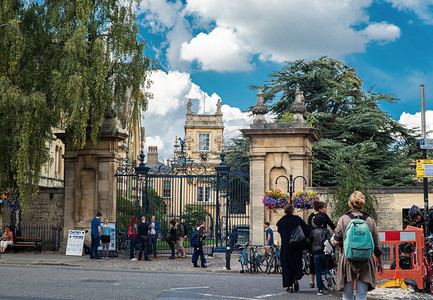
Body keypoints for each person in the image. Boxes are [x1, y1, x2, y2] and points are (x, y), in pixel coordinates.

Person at [334, 191, 384, 300]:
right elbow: (377, 245)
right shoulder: (370, 220)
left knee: (347, 296)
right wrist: (380, 263)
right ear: (363, 204)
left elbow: (337, 241)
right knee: (361, 296)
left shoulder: (343, 219)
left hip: (347, 260)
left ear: (350, 203)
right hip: (366, 260)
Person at [277, 203, 310, 293]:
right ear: (293, 210)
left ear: (284, 211)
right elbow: (306, 230)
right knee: (296, 263)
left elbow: (280, 231)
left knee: (287, 266)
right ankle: (295, 278)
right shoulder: (297, 219)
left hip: (286, 247)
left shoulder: (281, 222)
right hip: (296, 246)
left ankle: (290, 286)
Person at [307, 201, 336, 288]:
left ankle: (312, 282)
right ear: (320, 209)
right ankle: (327, 275)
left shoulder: (311, 217)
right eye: (325, 208)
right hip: (324, 244)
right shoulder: (323, 217)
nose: (326, 210)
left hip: (314, 245)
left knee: (314, 265)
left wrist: (309, 249)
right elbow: (332, 226)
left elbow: (308, 230)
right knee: (326, 263)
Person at [310, 214, 332, 296]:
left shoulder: (313, 232)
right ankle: (327, 275)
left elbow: (310, 243)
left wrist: (310, 251)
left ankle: (320, 290)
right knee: (325, 267)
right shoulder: (326, 231)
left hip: (315, 253)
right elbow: (329, 240)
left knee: (318, 271)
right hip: (324, 252)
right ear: (323, 223)